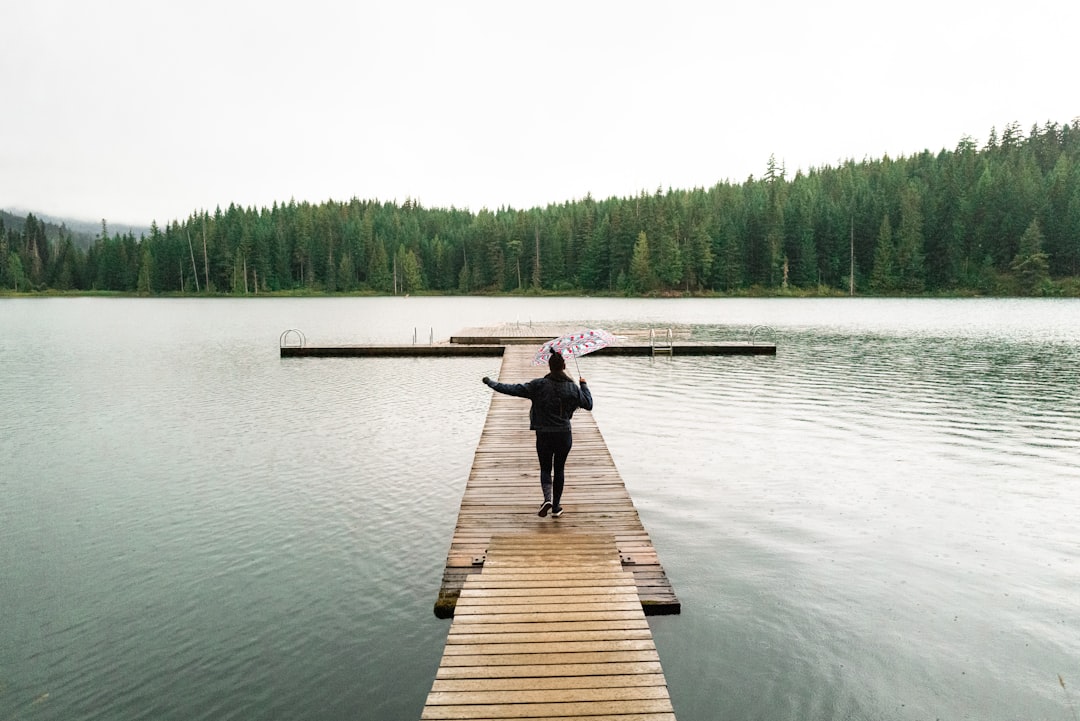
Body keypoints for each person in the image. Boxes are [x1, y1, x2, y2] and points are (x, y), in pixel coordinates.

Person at [482, 352, 593, 518]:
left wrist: (491, 383)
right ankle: (556, 508)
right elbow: (589, 404)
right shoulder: (572, 387)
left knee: (546, 468)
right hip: (564, 434)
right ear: (563, 367)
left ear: (549, 366)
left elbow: (512, 390)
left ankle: (547, 498)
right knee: (560, 469)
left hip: (544, 434)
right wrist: (583, 385)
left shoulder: (538, 385)